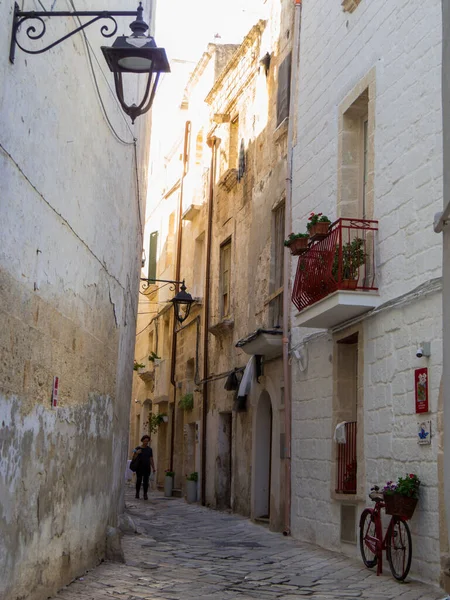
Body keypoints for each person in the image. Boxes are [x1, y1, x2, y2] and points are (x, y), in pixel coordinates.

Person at [132, 435, 155, 500]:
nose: (146, 442)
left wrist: (153, 467)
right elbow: (133, 457)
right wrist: (136, 453)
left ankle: (145, 494)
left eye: (147, 441)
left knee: (146, 481)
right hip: (139, 467)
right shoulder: (137, 448)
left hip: (147, 467)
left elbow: (151, 459)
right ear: (142, 441)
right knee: (138, 480)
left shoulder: (149, 449)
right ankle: (137, 493)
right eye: (145, 441)